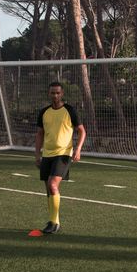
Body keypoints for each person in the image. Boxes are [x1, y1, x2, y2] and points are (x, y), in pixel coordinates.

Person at [34, 82, 86, 235]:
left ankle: (54, 222)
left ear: (62, 94)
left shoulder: (70, 110)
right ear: (49, 94)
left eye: (57, 93)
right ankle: (53, 220)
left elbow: (82, 131)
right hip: (47, 154)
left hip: (63, 154)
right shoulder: (44, 112)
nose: (55, 95)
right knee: (48, 189)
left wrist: (78, 149)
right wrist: (37, 154)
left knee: (52, 185)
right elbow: (39, 134)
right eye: (52, 93)